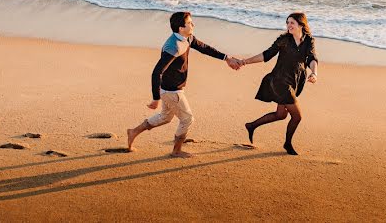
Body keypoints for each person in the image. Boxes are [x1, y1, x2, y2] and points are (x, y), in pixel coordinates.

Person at [126, 11, 241, 157]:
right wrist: (156, 98)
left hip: (170, 88)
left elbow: (204, 47)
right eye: (189, 23)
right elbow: (157, 72)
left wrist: (227, 58)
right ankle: (176, 151)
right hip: (172, 91)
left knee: (165, 117)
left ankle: (134, 131)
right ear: (181, 28)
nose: (193, 25)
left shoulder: (187, 38)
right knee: (187, 119)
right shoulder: (174, 46)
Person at [239, 12, 319, 155]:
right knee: (297, 116)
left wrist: (314, 73)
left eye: (292, 23)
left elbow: (312, 58)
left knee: (281, 114)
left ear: (301, 25)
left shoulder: (309, 41)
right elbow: (266, 55)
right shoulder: (284, 40)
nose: (289, 25)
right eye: (287, 23)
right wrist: (245, 61)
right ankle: (287, 144)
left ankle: (251, 125)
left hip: (294, 81)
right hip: (280, 81)